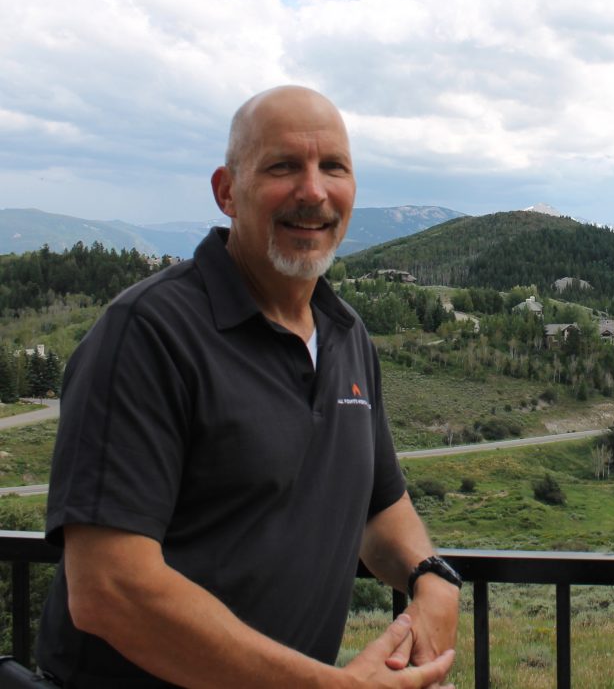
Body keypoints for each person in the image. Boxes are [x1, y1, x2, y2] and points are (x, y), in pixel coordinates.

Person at [35, 86, 461, 688]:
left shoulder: (347, 335)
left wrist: (431, 576)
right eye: (283, 166)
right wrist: (326, 686)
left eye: (332, 166)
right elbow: (107, 589)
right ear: (227, 191)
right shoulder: (149, 332)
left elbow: (380, 507)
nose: (313, 190)